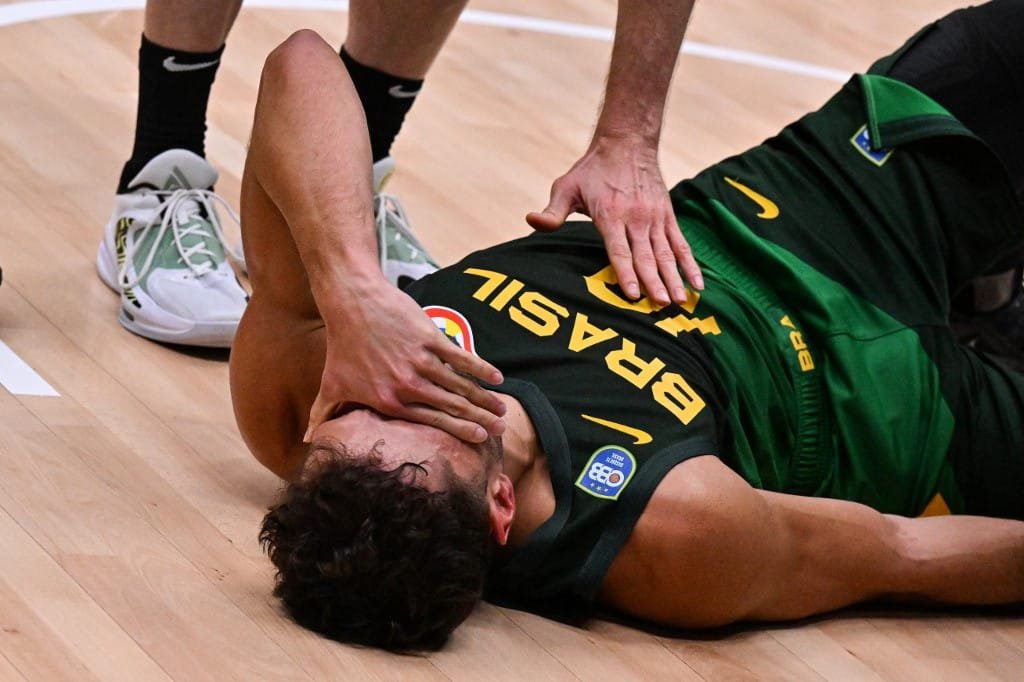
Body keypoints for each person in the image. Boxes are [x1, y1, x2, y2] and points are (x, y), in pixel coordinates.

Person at [231, 1, 1024, 653]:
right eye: (423, 405)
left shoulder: (305, 392)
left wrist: (354, 290)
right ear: (502, 506)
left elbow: (302, 61)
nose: (391, 378)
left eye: (354, 408)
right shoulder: (675, 536)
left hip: (800, 208)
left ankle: (987, 282)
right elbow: (900, 553)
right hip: (909, 412)